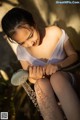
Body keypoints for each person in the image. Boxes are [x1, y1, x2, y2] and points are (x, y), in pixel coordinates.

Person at [1, 7, 80, 120]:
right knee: (40, 84)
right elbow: (31, 79)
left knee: (56, 78)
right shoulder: (21, 51)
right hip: (49, 91)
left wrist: (59, 66)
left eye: (30, 36)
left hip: (69, 80)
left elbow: (74, 55)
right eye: (22, 43)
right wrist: (34, 77)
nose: (30, 43)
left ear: (33, 23)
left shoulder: (55, 32)